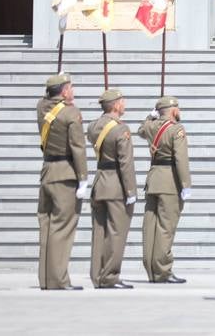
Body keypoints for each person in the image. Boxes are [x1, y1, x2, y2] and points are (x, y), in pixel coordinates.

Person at [36, 71, 87, 291]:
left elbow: (45, 100)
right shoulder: (70, 113)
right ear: (65, 91)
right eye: (71, 87)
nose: (73, 91)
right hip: (66, 174)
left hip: (47, 170)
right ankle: (59, 279)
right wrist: (83, 177)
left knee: (46, 227)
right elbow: (78, 147)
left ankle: (46, 279)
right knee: (62, 228)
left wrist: (56, 84)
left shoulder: (41, 107)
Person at [87, 87, 137, 289]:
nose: (124, 104)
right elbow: (126, 163)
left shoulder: (93, 127)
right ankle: (110, 276)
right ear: (116, 105)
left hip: (100, 182)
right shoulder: (120, 129)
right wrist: (131, 191)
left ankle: (97, 275)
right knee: (117, 232)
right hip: (116, 184)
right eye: (122, 101)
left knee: (98, 232)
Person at [138, 95, 191, 284]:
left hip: (153, 180)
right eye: (178, 108)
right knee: (165, 228)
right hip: (169, 182)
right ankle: (163, 271)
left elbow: (141, 129)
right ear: (174, 110)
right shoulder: (177, 130)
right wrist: (185, 185)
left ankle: (151, 270)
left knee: (150, 227)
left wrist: (150, 116)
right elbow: (181, 159)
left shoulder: (151, 126)